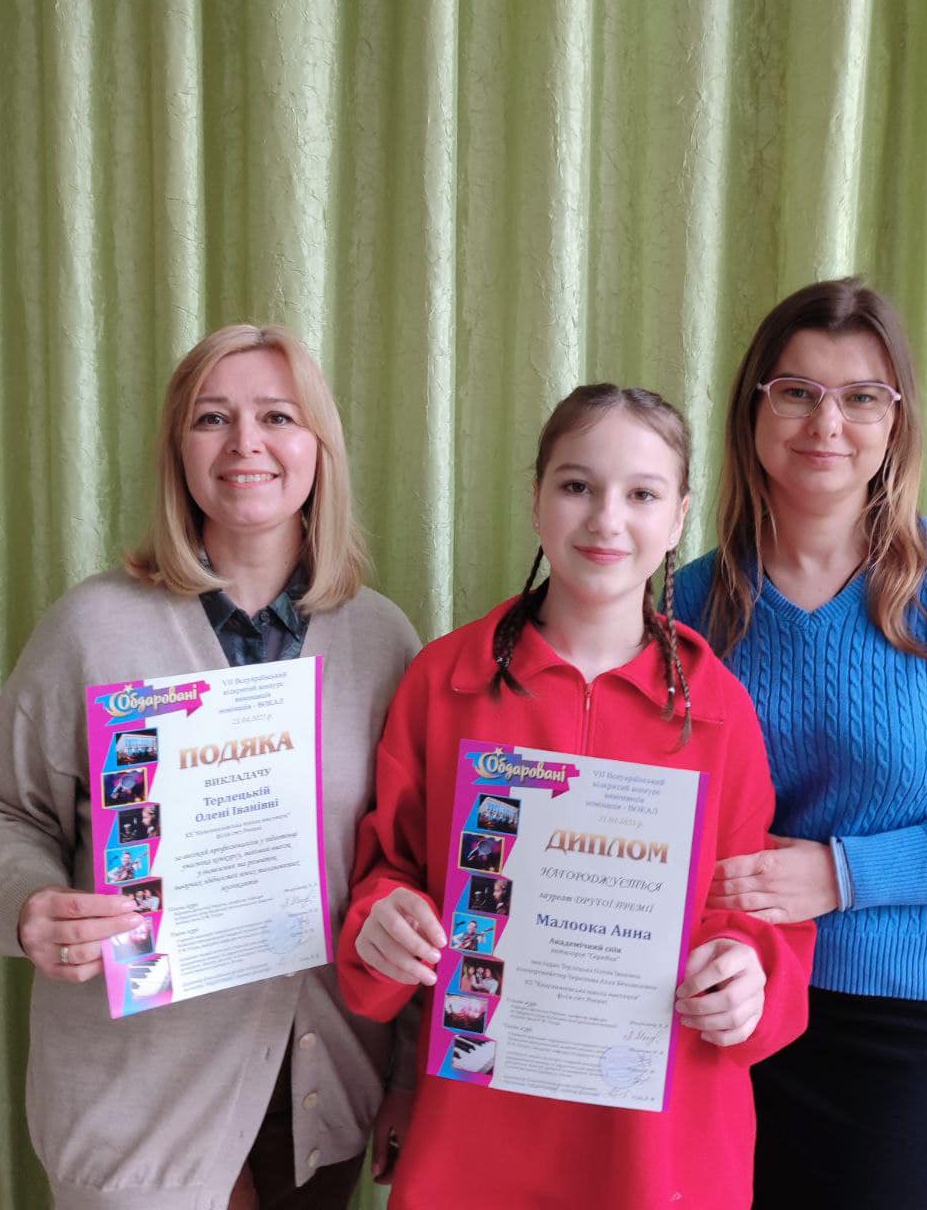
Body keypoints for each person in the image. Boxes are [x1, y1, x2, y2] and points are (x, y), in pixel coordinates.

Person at [0, 324, 421, 1210]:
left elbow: (407, 869)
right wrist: (27, 904)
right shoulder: (94, 626)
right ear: (178, 450)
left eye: (277, 416)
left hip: (317, 1093)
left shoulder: (383, 639)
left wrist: (406, 1077)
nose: (246, 444)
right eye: (212, 418)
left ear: (319, 447)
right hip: (138, 1096)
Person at [337, 384, 815, 1209]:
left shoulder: (719, 710)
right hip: (477, 1134)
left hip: (658, 1144)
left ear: (679, 519)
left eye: (642, 494)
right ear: (535, 500)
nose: (605, 519)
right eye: (576, 486)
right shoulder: (442, 683)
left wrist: (748, 975)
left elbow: (752, 911)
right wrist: (384, 923)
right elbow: (387, 873)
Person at [672, 279, 927, 1209]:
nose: (827, 423)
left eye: (860, 396)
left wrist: (841, 874)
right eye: (796, 392)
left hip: (910, 1029)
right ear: (752, 411)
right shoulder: (688, 603)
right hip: (729, 1009)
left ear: (895, 420)